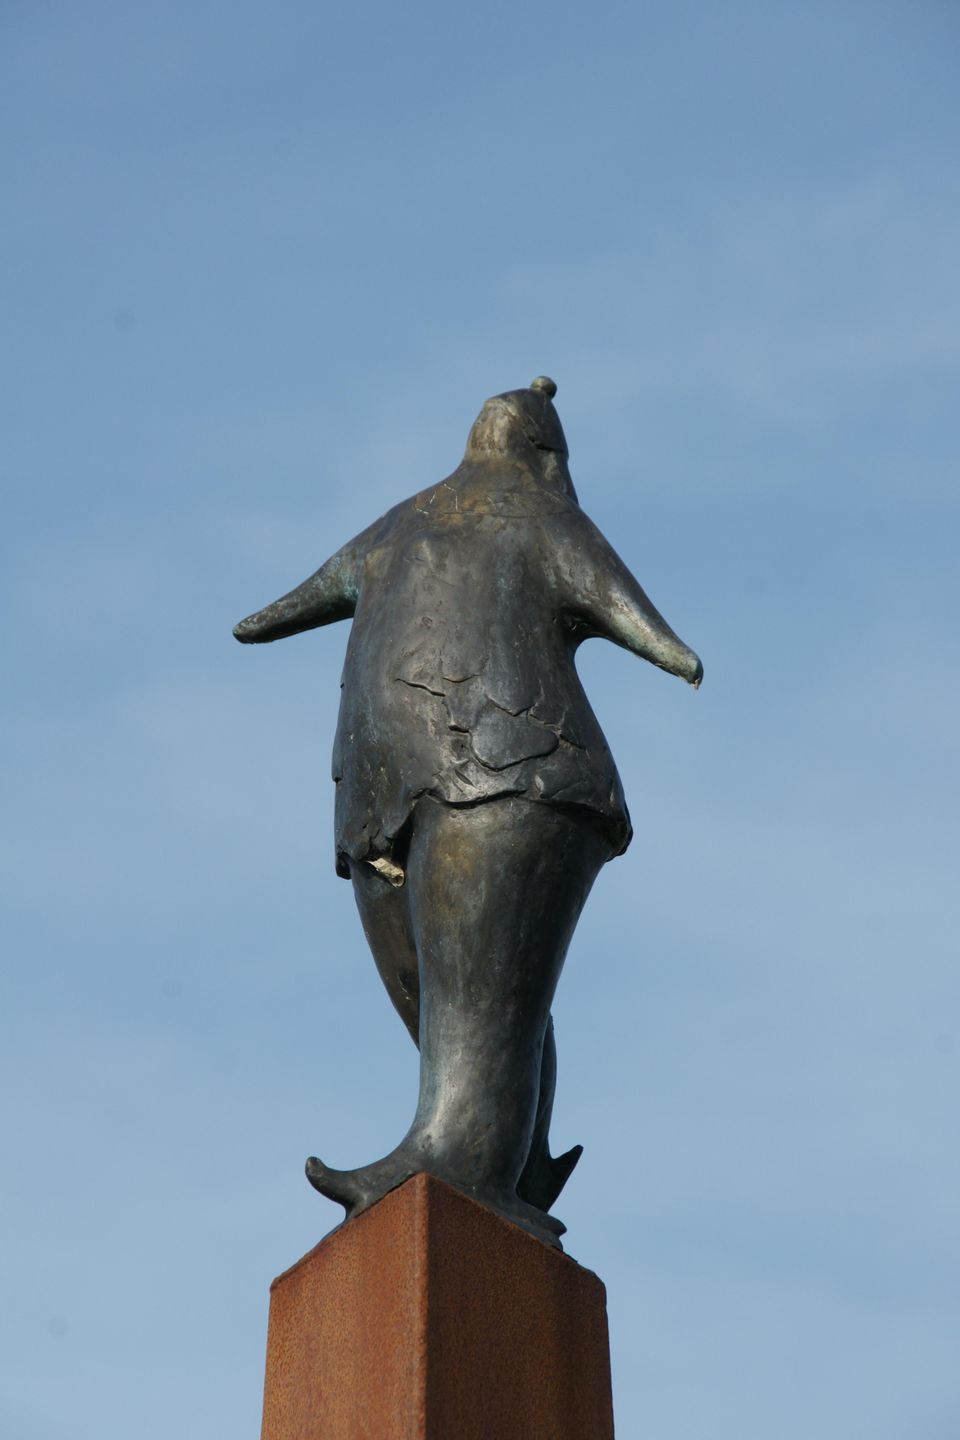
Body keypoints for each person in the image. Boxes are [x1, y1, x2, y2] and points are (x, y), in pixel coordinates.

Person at [234, 376, 702, 1246]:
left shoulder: (535, 519)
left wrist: (673, 652)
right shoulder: (409, 521)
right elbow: (303, 598)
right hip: (388, 796)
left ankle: (454, 1160)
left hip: (520, 772)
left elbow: (638, 621)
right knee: (453, 996)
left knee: (479, 1002)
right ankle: (514, 1162)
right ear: (550, 452)